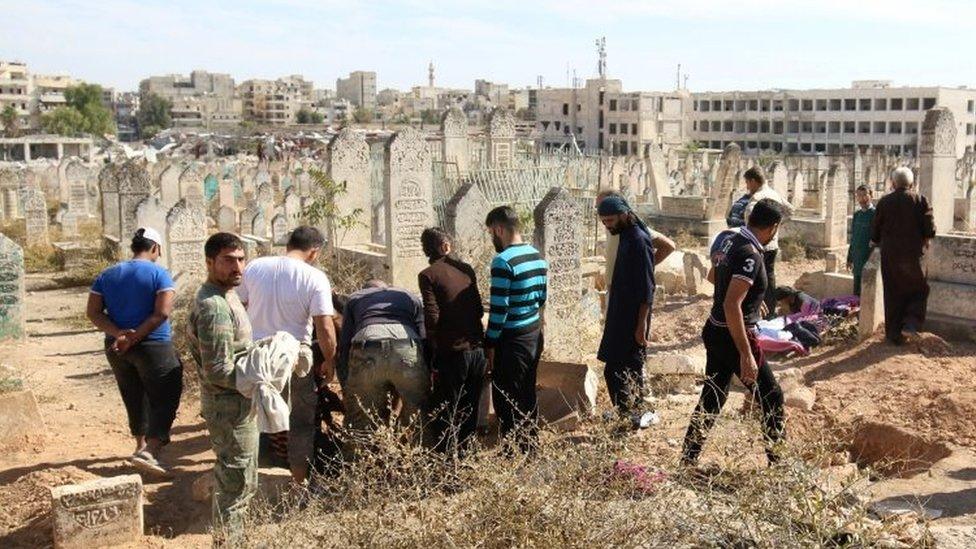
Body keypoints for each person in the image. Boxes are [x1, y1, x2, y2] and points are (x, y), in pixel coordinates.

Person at [681, 199, 786, 467]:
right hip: (733, 335)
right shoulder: (751, 253)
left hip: (714, 329)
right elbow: (731, 304)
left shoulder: (726, 237)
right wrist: (745, 353)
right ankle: (779, 465)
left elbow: (714, 277)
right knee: (771, 396)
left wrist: (749, 297)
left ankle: (687, 459)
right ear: (773, 227)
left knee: (714, 394)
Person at [237, 226, 337, 486]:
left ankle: (249, 482)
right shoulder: (314, 277)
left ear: (288, 244)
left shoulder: (255, 267)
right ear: (314, 252)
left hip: (256, 356)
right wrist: (330, 360)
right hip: (294, 358)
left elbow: (237, 306)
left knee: (252, 418)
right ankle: (298, 482)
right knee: (300, 422)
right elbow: (325, 327)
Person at [87, 227, 182, 476]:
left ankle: (139, 445)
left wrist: (120, 334)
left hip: (117, 347)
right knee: (165, 396)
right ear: (154, 248)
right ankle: (151, 451)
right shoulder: (160, 274)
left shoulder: (107, 274)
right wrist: (136, 336)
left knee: (132, 393)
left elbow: (93, 312)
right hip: (153, 345)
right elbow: (162, 313)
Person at [188, 233, 255, 539]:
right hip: (229, 407)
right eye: (228, 260)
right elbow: (218, 370)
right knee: (235, 484)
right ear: (210, 262)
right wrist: (258, 378)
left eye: (241, 259)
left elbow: (236, 351)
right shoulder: (214, 305)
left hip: (236, 405)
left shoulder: (226, 295)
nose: (237, 266)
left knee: (241, 481)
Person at [595, 195, 675, 427]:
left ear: (624, 214)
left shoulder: (639, 240)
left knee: (626, 368)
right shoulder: (626, 236)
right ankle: (625, 411)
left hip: (632, 317)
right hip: (620, 312)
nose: (607, 225)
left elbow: (647, 288)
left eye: (610, 220)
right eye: (603, 221)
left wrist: (641, 325)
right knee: (615, 368)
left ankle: (637, 413)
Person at [337, 280, 428, 454]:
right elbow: (424, 336)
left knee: (360, 418)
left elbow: (345, 344)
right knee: (419, 414)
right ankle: (425, 470)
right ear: (385, 287)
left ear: (366, 289)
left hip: (367, 347)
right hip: (407, 347)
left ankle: (353, 475)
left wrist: (347, 385)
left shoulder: (355, 298)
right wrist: (428, 370)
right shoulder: (409, 295)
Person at [484, 206, 548, 452]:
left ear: (498, 229)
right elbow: (542, 298)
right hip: (533, 331)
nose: (492, 238)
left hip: (511, 339)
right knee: (527, 390)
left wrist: (490, 343)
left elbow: (499, 310)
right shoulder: (536, 255)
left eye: (491, 232)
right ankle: (530, 443)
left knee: (506, 396)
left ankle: (514, 449)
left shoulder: (502, 261)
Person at [417, 227, 486, 454]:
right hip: (476, 348)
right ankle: (466, 454)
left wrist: (434, 349)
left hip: (452, 352)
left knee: (446, 407)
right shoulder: (465, 269)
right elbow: (478, 309)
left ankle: (447, 459)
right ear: (446, 246)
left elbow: (432, 315)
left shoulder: (428, 275)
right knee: (470, 405)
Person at [871, 167, 936, 344]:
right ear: (912, 184)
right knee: (918, 289)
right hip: (914, 255)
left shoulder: (884, 202)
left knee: (892, 292)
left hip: (890, 256)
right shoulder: (920, 200)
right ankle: (911, 324)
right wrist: (927, 237)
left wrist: (875, 240)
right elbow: (930, 228)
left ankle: (893, 335)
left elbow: (875, 229)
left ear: (893, 184)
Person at [727, 167, 793, 315]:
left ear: (753, 181)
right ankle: (770, 312)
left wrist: (752, 235)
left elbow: (749, 220)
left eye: (747, 183)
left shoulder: (756, 198)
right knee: (769, 279)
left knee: (756, 281)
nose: (747, 186)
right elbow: (790, 210)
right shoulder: (774, 193)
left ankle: (755, 312)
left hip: (758, 244)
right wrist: (775, 228)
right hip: (772, 243)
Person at [847, 185, 876, 296]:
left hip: (869, 260)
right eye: (859, 196)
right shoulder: (857, 215)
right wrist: (849, 258)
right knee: (856, 294)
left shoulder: (876, 214)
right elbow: (854, 238)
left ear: (871, 196)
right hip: (857, 260)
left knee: (868, 294)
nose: (862, 199)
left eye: (864, 195)